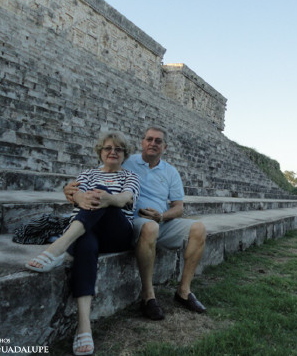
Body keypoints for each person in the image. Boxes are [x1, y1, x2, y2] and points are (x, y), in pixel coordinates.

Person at [64, 126, 207, 321]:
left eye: (158, 141)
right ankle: (148, 296)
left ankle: (184, 291)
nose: (152, 143)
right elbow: (101, 175)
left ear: (165, 147)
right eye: (149, 139)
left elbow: (179, 207)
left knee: (199, 228)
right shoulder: (126, 161)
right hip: (136, 221)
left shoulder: (171, 172)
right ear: (142, 142)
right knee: (150, 227)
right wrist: (71, 191)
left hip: (161, 220)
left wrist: (163, 216)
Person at [25, 131, 140, 356]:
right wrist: (79, 197)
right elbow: (75, 196)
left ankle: (59, 246)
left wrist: (107, 198)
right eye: (108, 148)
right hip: (86, 231)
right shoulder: (86, 174)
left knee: (102, 194)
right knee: (86, 244)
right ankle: (83, 326)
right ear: (100, 151)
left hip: (116, 234)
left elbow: (126, 198)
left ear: (124, 154)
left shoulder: (130, 176)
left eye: (118, 149)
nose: (113, 152)